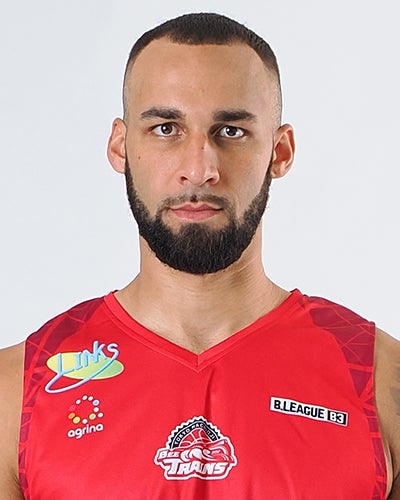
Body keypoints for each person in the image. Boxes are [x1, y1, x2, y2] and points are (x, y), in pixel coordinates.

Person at [0, 12, 399, 499]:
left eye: (230, 131)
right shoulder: (16, 393)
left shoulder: (379, 382)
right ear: (121, 147)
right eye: (166, 128)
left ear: (279, 152)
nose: (198, 168)